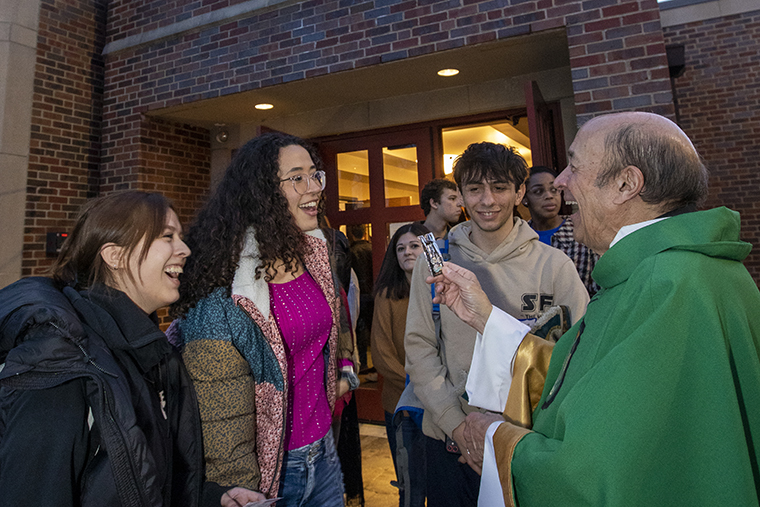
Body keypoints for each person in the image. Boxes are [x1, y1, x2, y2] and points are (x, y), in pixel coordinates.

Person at [433, 112, 760, 507]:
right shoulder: (663, 271)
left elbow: (592, 473)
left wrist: (497, 440)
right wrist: (485, 317)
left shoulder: (669, 285)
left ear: (626, 183)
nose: (561, 180)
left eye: (575, 165)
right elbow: (588, 374)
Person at [0, 191, 263, 507]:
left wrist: (212, 498)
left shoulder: (151, 355)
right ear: (115, 256)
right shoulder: (62, 366)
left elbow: (147, 481)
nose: (184, 249)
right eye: (167, 236)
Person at [170, 133, 357, 506]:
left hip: (323, 452)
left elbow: (337, 324)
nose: (313, 188)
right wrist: (238, 491)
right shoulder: (226, 288)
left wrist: (346, 371)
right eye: (297, 177)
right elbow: (221, 417)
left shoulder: (315, 253)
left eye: (315, 174)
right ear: (262, 192)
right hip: (270, 474)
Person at [404, 142, 589, 507]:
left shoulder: (554, 266)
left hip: (527, 443)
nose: (487, 201)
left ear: (519, 192)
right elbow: (419, 348)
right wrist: (458, 427)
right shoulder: (436, 262)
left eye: (500, 187)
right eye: (475, 189)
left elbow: (580, 354)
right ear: (461, 196)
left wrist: (505, 437)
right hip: (448, 442)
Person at [370, 222, 431, 507]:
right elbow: (381, 355)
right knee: (411, 487)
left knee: (442, 482)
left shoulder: (443, 290)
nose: (407, 252)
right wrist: (417, 388)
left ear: (428, 249)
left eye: (414, 246)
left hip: (442, 406)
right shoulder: (387, 295)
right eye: (400, 248)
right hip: (401, 406)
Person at [523, 166, 599, 295]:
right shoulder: (519, 237)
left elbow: (599, 287)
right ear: (524, 198)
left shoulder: (584, 232)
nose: (549, 196)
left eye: (554, 190)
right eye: (538, 191)